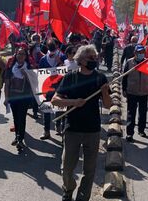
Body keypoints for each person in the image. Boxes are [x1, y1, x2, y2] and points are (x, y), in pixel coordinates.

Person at [51, 45, 112, 201]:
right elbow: (55, 100)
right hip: (72, 129)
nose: (94, 60)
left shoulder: (100, 78)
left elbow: (107, 104)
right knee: (67, 168)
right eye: (91, 57)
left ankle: (83, 197)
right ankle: (68, 189)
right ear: (81, 59)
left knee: (89, 170)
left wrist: (105, 92)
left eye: (96, 57)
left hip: (92, 130)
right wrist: (74, 102)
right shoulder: (70, 77)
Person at [3, 46, 34, 151]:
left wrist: (25, 74)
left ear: (26, 56)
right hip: (13, 97)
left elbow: (33, 84)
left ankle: (20, 139)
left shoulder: (29, 68)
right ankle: (17, 136)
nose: (20, 56)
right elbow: (7, 84)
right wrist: (6, 98)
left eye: (23, 54)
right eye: (19, 54)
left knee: (22, 118)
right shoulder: (11, 68)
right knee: (16, 118)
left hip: (24, 98)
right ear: (16, 55)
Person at [122, 45, 148, 142]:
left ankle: (141, 130)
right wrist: (124, 89)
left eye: (142, 52)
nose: (141, 54)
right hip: (132, 91)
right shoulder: (129, 62)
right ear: (135, 53)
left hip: (144, 92)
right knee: (131, 113)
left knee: (143, 113)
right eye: (139, 52)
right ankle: (129, 133)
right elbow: (125, 77)